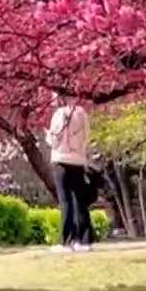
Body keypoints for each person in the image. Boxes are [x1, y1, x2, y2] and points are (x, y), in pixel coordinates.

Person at [46, 92, 94, 252]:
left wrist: (48, 136)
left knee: (65, 201)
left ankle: (67, 240)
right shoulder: (81, 113)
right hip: (78, 161)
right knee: (79, 201)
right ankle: (84, 240)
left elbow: (53, 140)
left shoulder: (58, 114)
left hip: (61, 160)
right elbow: (87, 136)